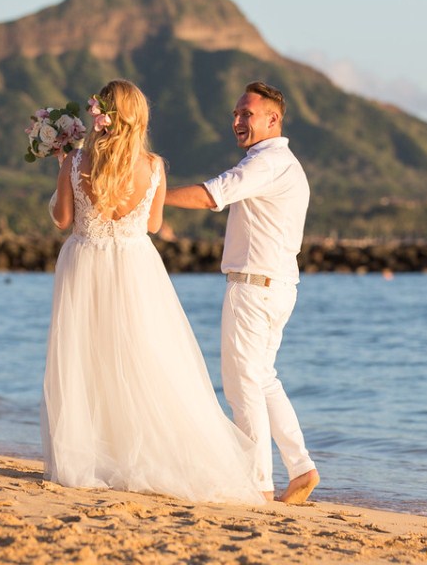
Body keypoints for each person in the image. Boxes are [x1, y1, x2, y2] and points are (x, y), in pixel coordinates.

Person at [40, 79, 264, 505]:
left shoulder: (75, 161)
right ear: (138, 116)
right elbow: (153, 226)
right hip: (134, 265)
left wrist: (59, 175)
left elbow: (62, 219)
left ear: (101, 114)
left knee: (85, 358)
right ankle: (137, 453)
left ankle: (91, 457)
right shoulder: (154, 165)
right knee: (142, 356)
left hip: (84, 261)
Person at [165, 81, 320, 504]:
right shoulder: (283, 163)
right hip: (279, 286)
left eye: (246, 114)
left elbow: (212, 195)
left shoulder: (265, 164)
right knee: (264, 379)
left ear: (273, 119)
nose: (236, 121)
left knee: (242, 387)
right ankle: (301, 467)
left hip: (254, 288)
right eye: (235, 114)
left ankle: (258, 485)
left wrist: (152, 196)